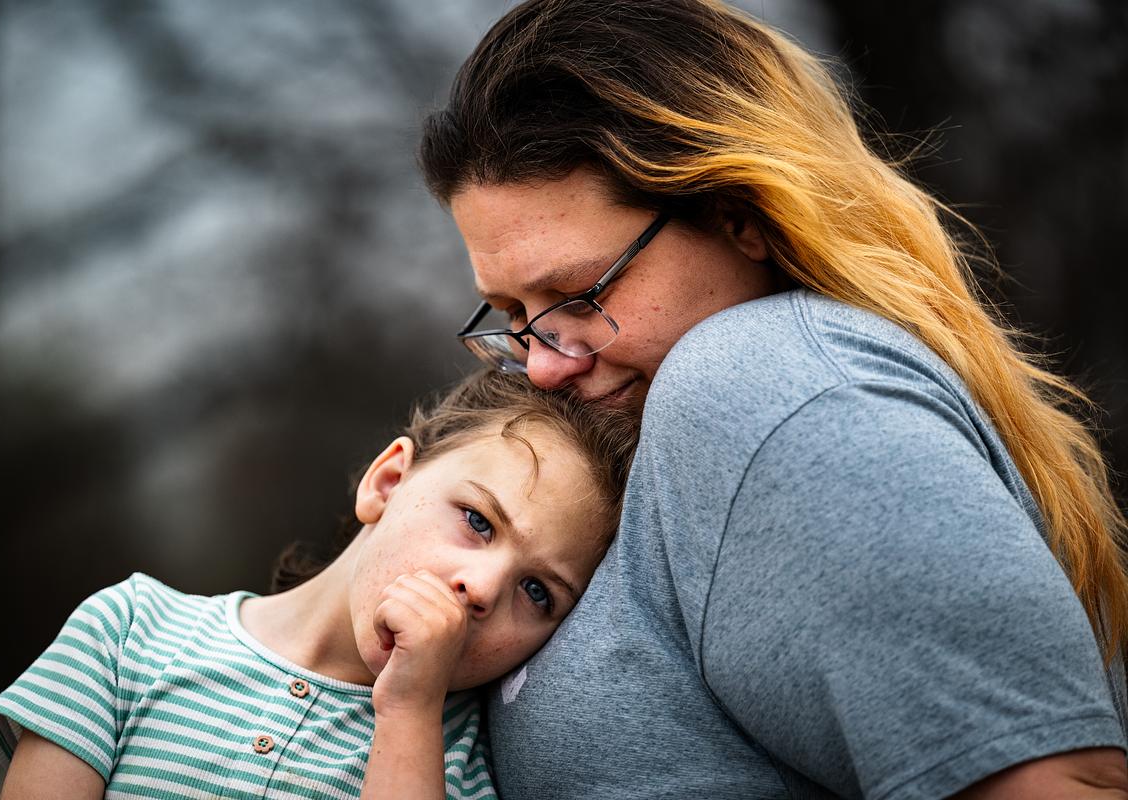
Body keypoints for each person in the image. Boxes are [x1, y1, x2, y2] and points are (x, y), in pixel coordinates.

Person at [419, 0, 1128, 796]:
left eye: (580, 294)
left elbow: (1065, 783)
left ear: (739, 216)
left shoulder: (771, 385)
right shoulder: (655, 439)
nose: (543, 366)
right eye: (514, 317)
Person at [0, 369, 637, 799]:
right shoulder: (129, 632)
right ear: (387, 483)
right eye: (477, 520)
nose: (483, 588)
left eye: (538, 593)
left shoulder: (461, 763)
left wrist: (408, 714)